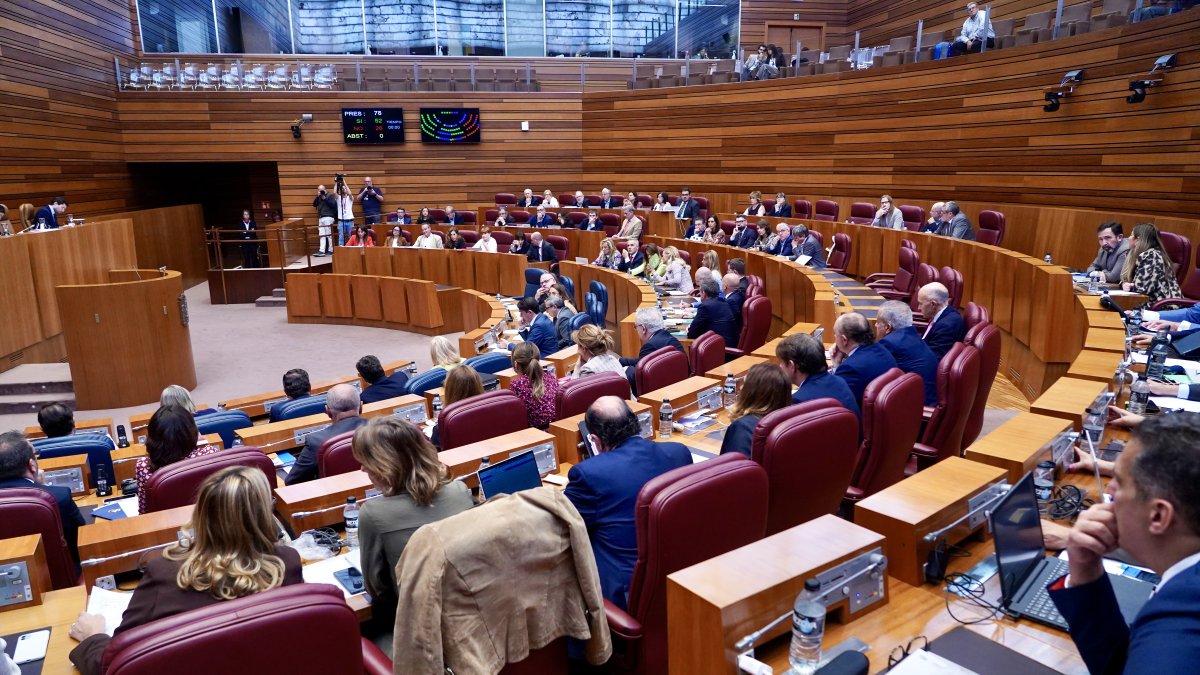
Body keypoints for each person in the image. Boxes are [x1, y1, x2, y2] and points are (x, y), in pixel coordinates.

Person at [69, 466, 304, 675]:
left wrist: (93, 636)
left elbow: (117, 662)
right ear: (264, 515)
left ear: (201, 514)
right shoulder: (287, 562)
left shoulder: (163, 571)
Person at [1046, 413, 1200, 675]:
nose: (1111, 491)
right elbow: (1122, 666)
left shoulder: (1176, 642)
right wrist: (1085, 569)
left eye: (1119, 481)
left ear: (1159, 516)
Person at [352, 417, 474, 652]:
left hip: (424, 637)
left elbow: (378, 590)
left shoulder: (373, 514)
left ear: (384, 465)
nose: (362, 468)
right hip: (474, 619)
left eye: (366, 461)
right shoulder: (460, 491)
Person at [564, 396, 691, 609]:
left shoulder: (589, 474)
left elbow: (563, 529)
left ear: (594, 440)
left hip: (626, 594)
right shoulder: (678, 453)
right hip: (680, 575)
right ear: (634, 423)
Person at [0, 431, 84, 571]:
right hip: (60, 581)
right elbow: (80, 544)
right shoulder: (58, 497)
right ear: (32, 465)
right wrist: (43, 488)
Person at [135, 405, 222, 513]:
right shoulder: (210, 454)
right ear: (192, 432)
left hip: (166, 526)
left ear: (152, 437)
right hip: (207, 521)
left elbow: (144, 511)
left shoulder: (143, 466)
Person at [284, 384, 366, 485]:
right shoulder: (382, 430)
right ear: (361, 407)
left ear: (327, 411)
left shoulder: (316, 441)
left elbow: (292, 481)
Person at [776, 334, 861, 418]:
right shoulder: (839, 381)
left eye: (782, 362)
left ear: (791, 365)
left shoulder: (798, 402)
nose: (780, 366)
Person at [719, 363, 792, 457]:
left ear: (751, 393)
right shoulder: (791, 419)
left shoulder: (743, 427)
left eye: (744, 385)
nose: (740, 388)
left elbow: (733, 468)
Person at [875, 301, 939, 405]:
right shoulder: (912, 336)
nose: (876, 325)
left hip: (917, 409)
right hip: (927, 398)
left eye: (878, 322)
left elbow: (871, 372)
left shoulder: (890, 343)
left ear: (887, 327)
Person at [832, 312, 899, 406]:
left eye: (835, 334)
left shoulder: (851, 368)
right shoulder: (881, 349)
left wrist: (836, 366)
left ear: (844, 340)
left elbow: (834, 401)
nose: (834, 337)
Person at [620, 307, 684, 391]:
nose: (636, 330)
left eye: (636, 327)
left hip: (661, 392)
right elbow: (642, 360)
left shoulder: (650, 346)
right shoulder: (670, 338)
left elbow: (640, 375)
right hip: (681, 385)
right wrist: (621, 361)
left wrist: (625, 370)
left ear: (643, 328)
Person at [1120, 222, 1181, 304]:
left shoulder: (1151, 256)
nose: (1128, 238)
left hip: (1163, 307)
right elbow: (1125, 279)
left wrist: (1129, 287)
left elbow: (1142, 289)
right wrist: (1124, 284)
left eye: (1131, 235)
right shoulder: (1135, 254)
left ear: (1138, 239)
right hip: (1148, 303)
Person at [509, 343, 560, 430]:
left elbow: (515, 417)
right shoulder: (550, 376)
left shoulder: (517, 385)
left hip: (538, 435)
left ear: (516, 364)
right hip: (559, 429)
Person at [916, 282, 967, 360]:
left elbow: (933, 359)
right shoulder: (943, 314)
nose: (918, 308)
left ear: (933, 304)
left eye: (920, 304)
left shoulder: (946, 327)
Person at [688, 278, 739, 346]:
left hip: (719, 349)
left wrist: (689, 328)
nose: (700, 294)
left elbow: (691, 334)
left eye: (700, 292)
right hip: (729, 344)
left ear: (704, 293)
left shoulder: (705, 307)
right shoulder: (724, 302)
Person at [312, 184, 337, 256]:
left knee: (329, 234)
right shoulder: (319, 197)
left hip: (328, 217)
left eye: (321, 190)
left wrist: (325, 198)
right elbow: (314, 204)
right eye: (319, 190)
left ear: (325, 189)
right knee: (322, 235)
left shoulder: (330, 196)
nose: (320, 191)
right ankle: (322, 251)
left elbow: (333, 205)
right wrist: (317, 196)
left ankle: (331, 250)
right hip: (321, 217)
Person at [722, 273, 746, 337]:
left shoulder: (731, 301)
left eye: (722, 282)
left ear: (725, 286)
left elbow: (730, 323)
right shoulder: (739, 294)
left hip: (730, 336)